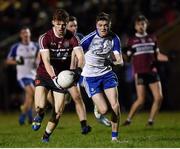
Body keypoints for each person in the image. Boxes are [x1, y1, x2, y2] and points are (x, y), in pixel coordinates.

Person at [31, 9, 91, 142]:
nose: (61, 27)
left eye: (63, 24)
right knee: (40, 106)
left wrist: (78, 70)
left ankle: (46, 136)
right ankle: (40, 115)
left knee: (58, 111)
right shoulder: (45, 38)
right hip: (45, 75)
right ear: (53, 23)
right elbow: (46, 61)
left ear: (66, 23)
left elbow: (81, 57)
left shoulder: (73, 38)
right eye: (58, 24)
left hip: (63, 77)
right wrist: (53, 78)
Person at [80, 12, 123, 141]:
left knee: (115, 105)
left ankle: (114, 137)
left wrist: (112, 61)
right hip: (90, 77)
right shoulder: (88, 40)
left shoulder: (114, 38)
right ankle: (98, 113)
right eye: (100, 25)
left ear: (109, 25)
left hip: (107, 74)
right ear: (96, 26)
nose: (103, 28)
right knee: (104, 110)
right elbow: (76, 54)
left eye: (106, 25)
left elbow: (119, 60)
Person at [122, 15, 169, 126]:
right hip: (140, 72)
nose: (141, 26)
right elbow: (128, 59)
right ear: (135, 26)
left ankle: (150, 121)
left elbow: (157, 55)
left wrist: (169, 58)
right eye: (139, 24)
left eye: (143, 24)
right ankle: (128, 119)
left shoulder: (152, 38)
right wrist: (125, 55)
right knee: (141, 100)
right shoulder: (132, 40)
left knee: (159, 97)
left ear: (146, 25)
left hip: (152, 71)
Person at [67, 15, 111, 127]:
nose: (74, 28)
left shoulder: (80, 37)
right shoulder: (60, 39)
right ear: (65, 26)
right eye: (71, 26)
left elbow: (85, 54)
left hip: (81, 71)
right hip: (65, 72)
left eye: (75, 26)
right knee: (64, 102)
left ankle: (96, 114)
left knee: (88, 91)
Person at [6, 27, 39, 125]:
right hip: (23, 76)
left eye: (27, 33)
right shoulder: (16, 47)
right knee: (32, 93)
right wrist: (16, 61)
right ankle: (30, 114)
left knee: (29, 98)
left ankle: (24, 115)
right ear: (21, 35)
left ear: (30, 34)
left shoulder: (35, 46)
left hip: (34, 75)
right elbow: (8, 60)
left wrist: (37, 62)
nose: (25, 35)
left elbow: (40, 57)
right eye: (23, 33)